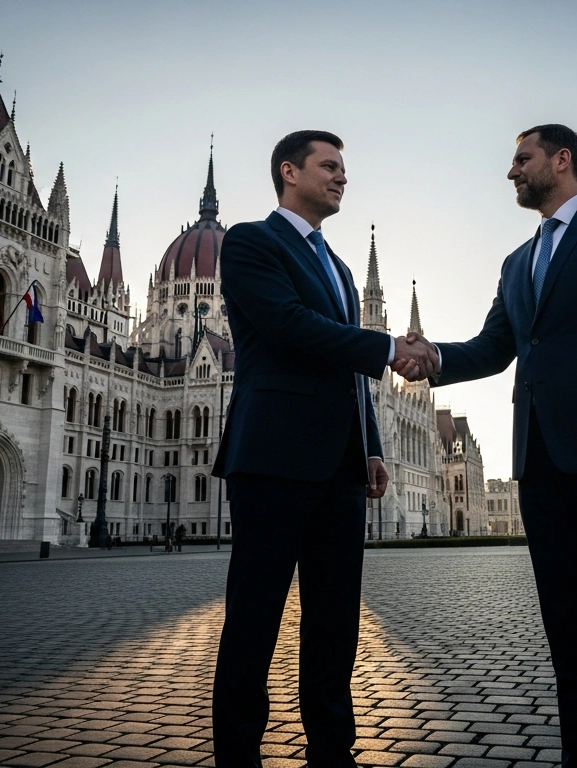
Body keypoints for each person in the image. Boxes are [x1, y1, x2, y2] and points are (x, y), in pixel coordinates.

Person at [411, 124, 577, 766]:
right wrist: (432, 358)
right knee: (569, 633)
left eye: (521, 159)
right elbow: (494, 347)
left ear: (562, 161)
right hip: (540, 464)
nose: (511, 171)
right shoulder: (517, 261)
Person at [210, 130, 436, 768]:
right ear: (290, 172)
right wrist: (387, 345)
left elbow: (347, 372)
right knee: (254, 620)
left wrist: (369, 445)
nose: (341, 178)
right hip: (274, 457)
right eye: (329, 166)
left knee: (335, 623)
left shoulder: (338, 267)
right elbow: (287, 327)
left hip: (340, 468)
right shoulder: (253, 241)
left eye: (343, 168)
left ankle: (332, 753)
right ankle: (238, 756)